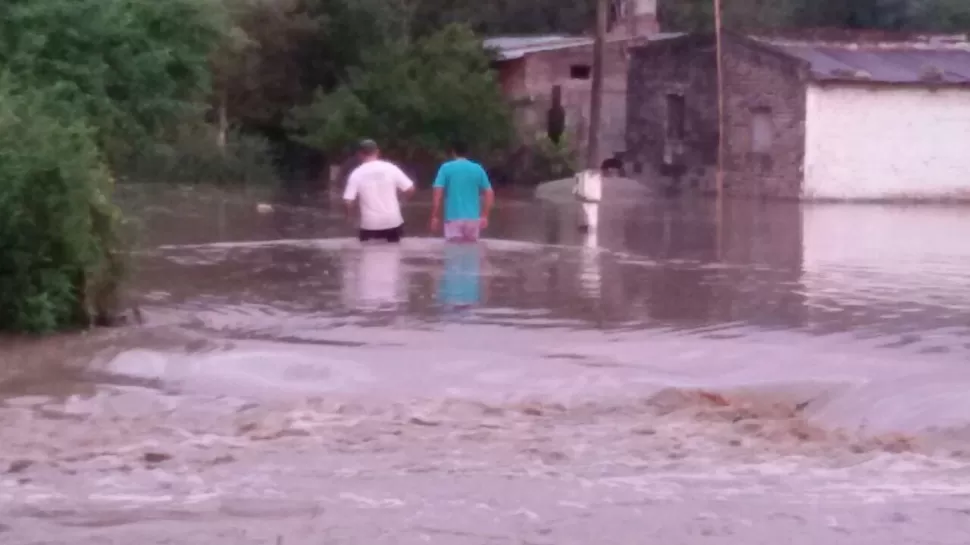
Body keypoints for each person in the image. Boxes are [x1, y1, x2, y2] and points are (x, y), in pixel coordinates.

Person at [343, 139, 415, 243]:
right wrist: (402, 202)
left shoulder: (356, 174)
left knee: (367, 255)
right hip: (393, 222)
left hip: (369, 224)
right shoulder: (391, 168)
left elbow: (348, 201)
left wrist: (349, 217)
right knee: (394, 256)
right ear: (377, 151)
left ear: (360, 154)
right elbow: (410, 189)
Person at [429, 141, 494, 242]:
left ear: (453, 152)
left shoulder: (446, 168)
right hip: (473, 218)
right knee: (471, 252)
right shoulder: (477, 168)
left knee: (454, 251)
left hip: (453, 217)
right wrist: (485, 215)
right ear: (467, 152)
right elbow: (489, 193)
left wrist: (435, 216)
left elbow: (438, 193)